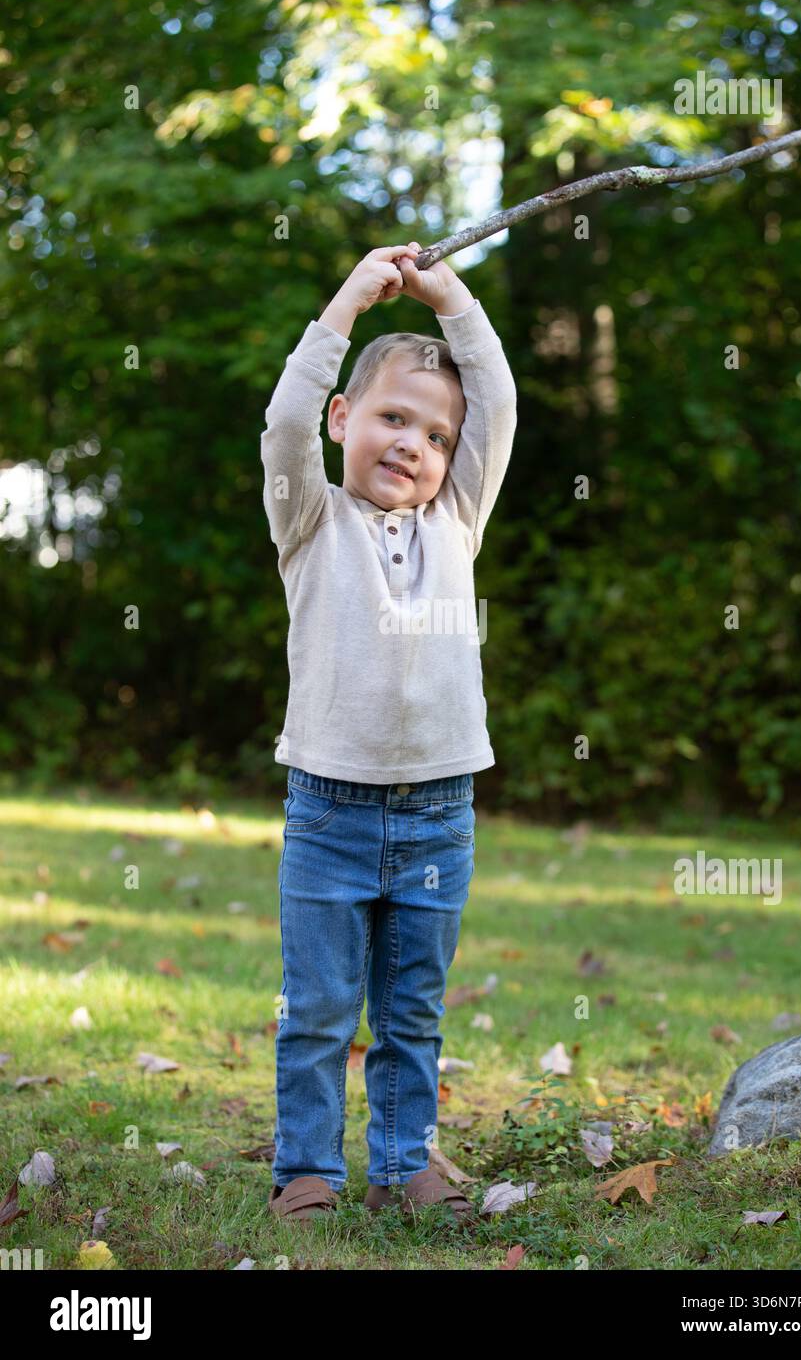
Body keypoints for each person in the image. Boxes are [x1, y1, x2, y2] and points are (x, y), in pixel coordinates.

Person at [260, 241, 517, 1226]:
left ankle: (405, 1160)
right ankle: (305, 1170)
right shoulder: (310, 520)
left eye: (433, 433)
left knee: (412, 1008)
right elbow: (281, 419)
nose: (412, 442)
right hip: (327, 809)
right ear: (342, 421)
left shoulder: (456, 519)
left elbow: (492, 395)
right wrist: (349, 302)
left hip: (436, 815)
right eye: (390, 418)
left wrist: (449, 297)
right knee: (319, 1008)